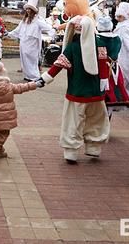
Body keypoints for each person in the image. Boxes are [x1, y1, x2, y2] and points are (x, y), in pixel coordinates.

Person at [37, 15, 112, 163]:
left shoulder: (72, 46)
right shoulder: (100, 44)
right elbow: (104, 63)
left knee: (73, 122)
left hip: (76, 92)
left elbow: (59, 64)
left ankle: (71, 151)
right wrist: (104, 80)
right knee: (96, 120)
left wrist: (44, 79)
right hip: (96, 93)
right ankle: (94, 147)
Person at [6, 0, 54, 81]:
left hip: (32, 43)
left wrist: (52, 33)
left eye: (30, 9)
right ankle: (27, 75)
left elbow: (47, 27)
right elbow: (18, 30)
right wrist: (9, 34)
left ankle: (34, 76)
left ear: (33, 11)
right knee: (24, 59)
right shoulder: (24, 20)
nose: (28, 11)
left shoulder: (38, 20)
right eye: (27, 9)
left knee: (32, 59)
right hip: (24, 43)